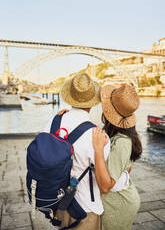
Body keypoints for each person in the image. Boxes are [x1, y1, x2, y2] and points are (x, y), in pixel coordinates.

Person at [44, 73, 130, 230]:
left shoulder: (54, 120)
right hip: (85, 209)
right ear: (92, 101)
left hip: (57, 201)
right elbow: (104, 183)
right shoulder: (98, 136)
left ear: (70, 96)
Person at [92, 84, 142, 230]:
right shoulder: (121, 134)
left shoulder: (122, 142)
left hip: (118, 206)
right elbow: (128, 167)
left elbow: (106, 186)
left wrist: (98, 150)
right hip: (121, 200)